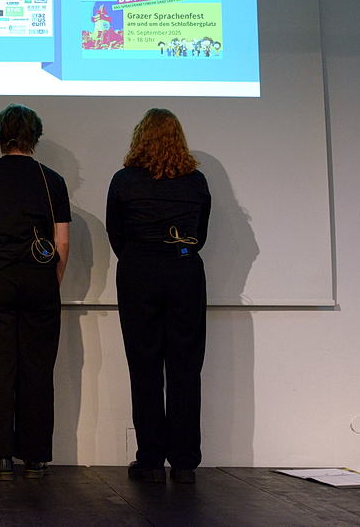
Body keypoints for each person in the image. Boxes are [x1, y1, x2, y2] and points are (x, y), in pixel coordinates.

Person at [0, 104, 71, 481]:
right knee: (37, 369)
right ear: (34, 136)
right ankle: (36, 456)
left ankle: (1, 455)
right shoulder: (52, 180)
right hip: (39, 281)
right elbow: (61, 242)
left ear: (0, 135)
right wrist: (51, 282)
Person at [106, 108, 210, 485]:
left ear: (140, 138)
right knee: (186, 368)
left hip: (138, 272)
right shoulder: (195, 181)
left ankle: (150, 459)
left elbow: (115, 233)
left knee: (144, 367)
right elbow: (200, 234)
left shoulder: (124, 180)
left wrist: (141, 256)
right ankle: (184, 462)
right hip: (184, 272)